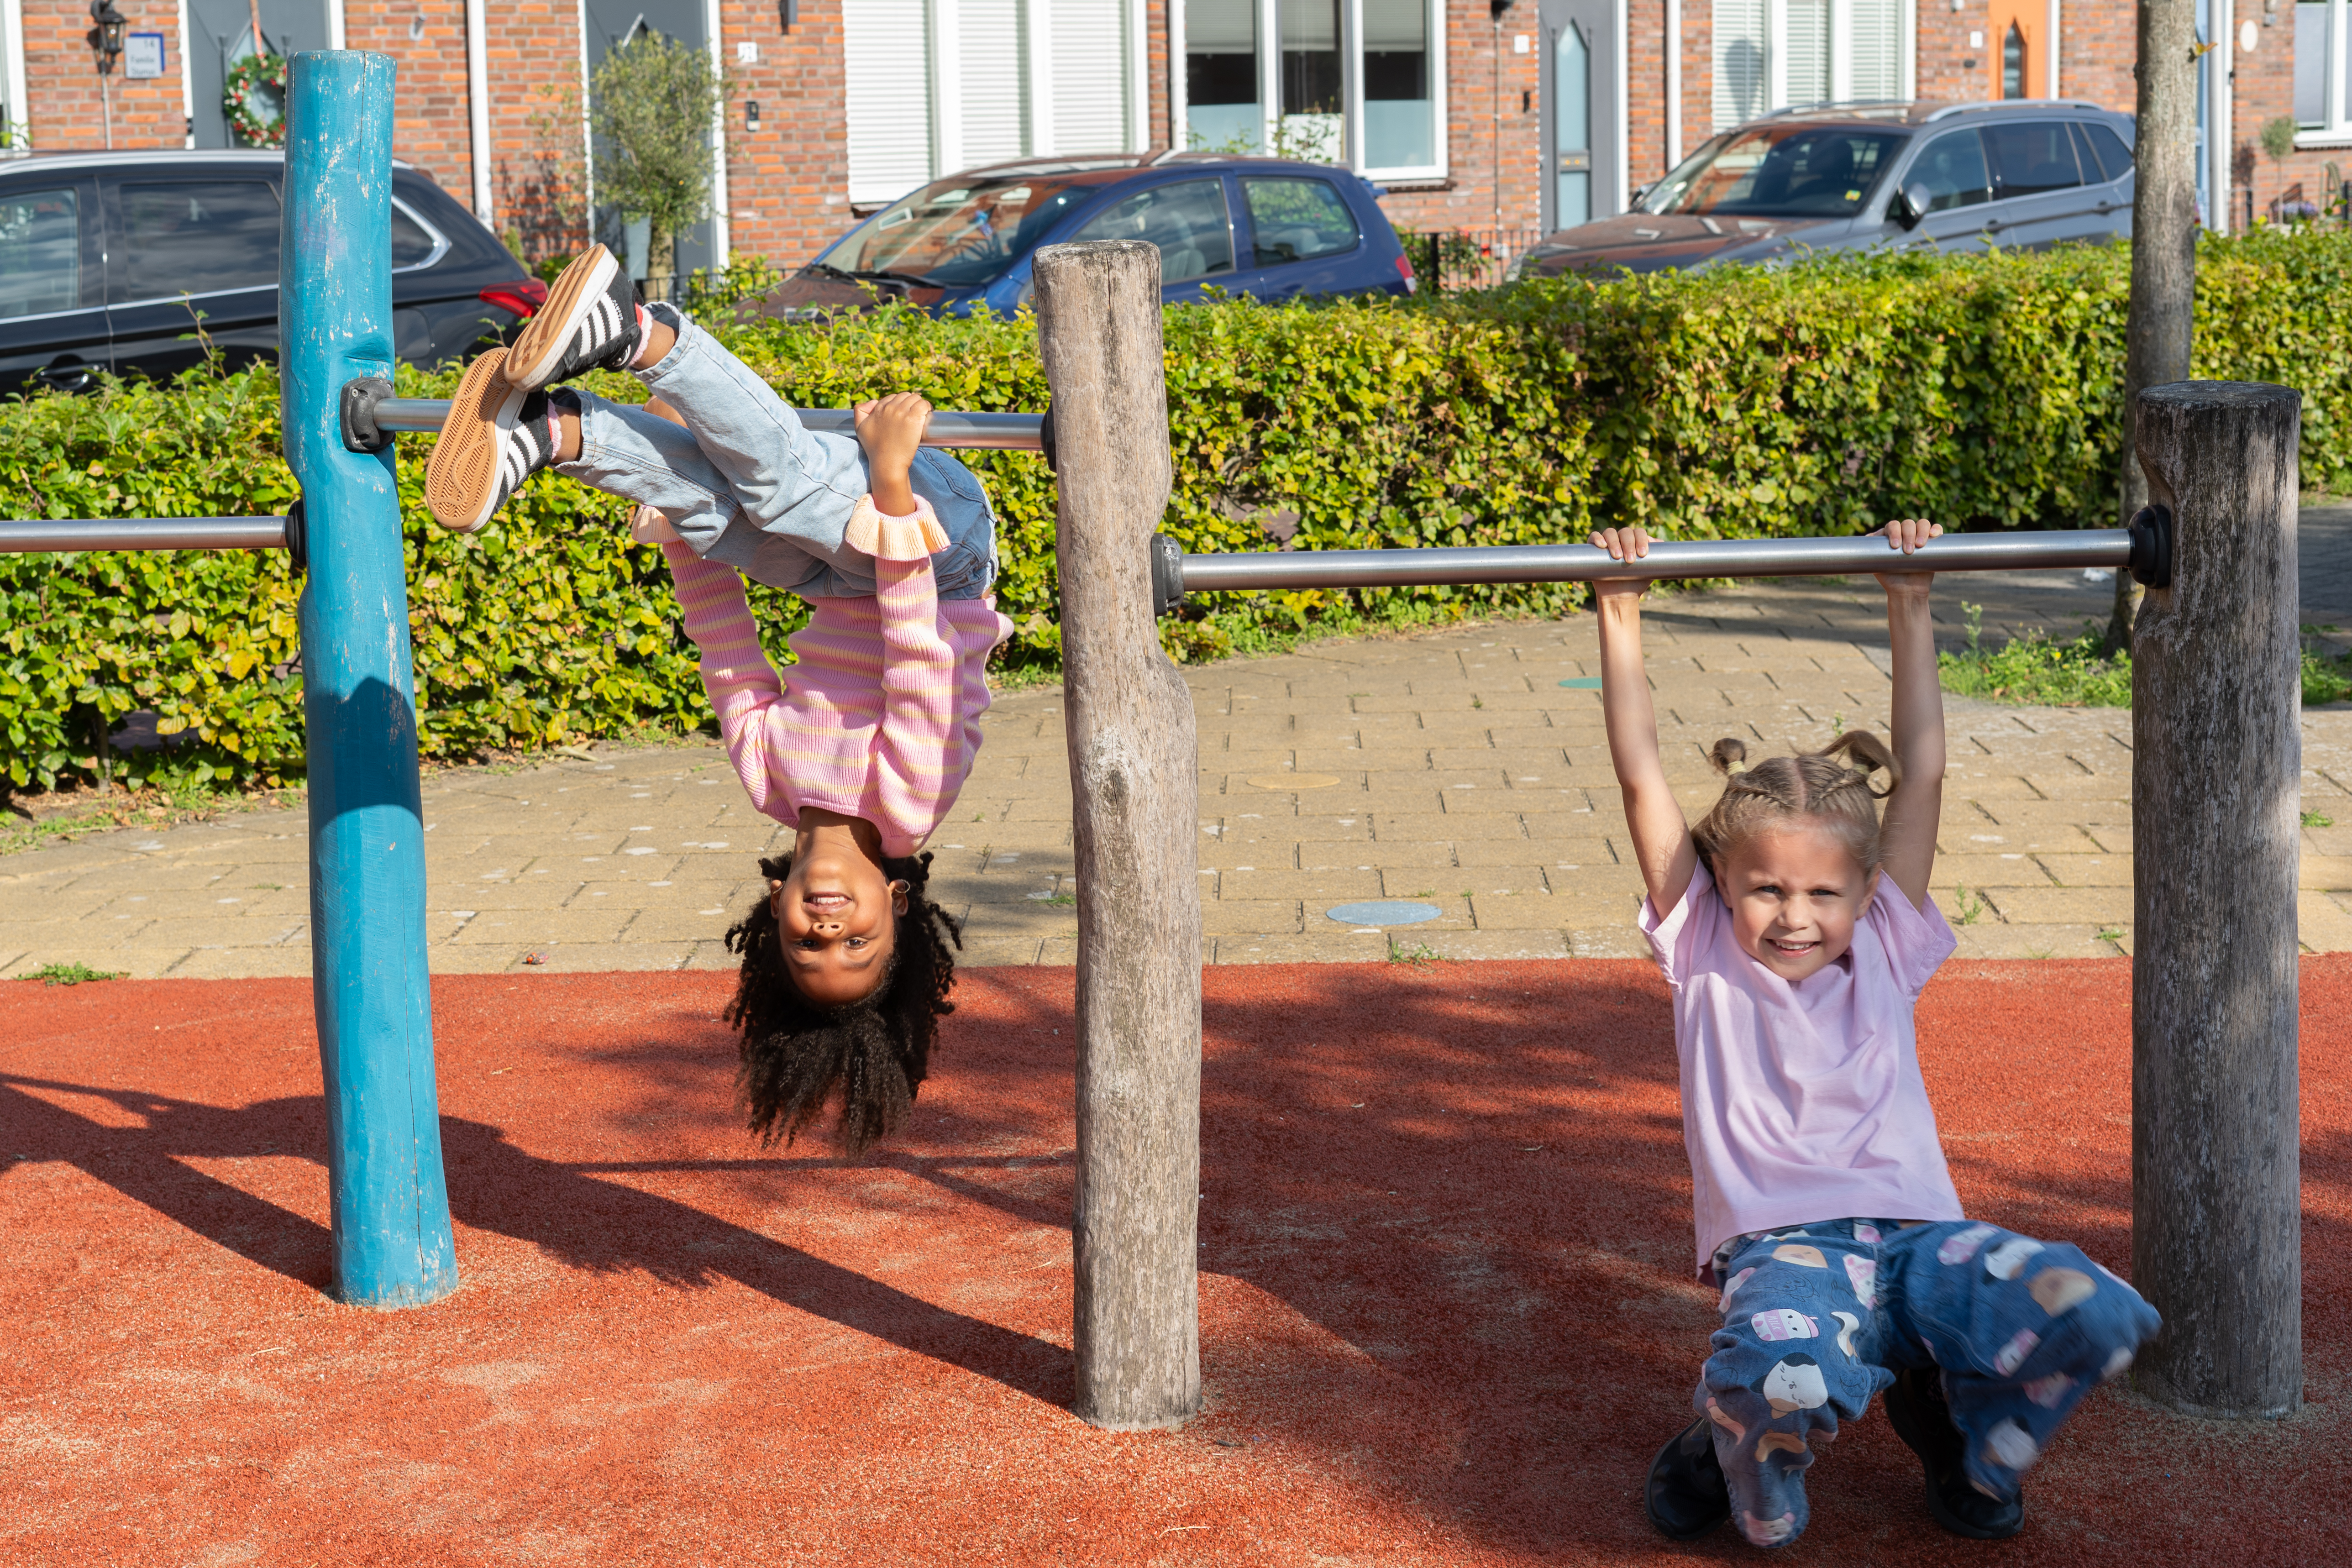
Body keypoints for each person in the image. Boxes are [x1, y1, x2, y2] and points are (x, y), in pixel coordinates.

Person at [1588, 519, 2161, 1549]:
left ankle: (1975, 1430)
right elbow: (1641, 779)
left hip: (1919, 1240)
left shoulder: (1888, 940)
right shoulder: (1703, 947)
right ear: (1722, 883)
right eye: (1766, 888)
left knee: (2101, 1310)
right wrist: (1618, 609)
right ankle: (1733, 1444)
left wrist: (1911, 595)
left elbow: (1924, 772)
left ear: (1865, 893)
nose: (1793, 915)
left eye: (1821, 892)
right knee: (1784, 1373)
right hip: (1789, 1248)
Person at [425, 244, 1011, 1153]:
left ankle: (559, 432)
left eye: (806, 946)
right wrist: (894, 478)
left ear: (774, 913)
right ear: (896, 906)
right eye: (854, 944)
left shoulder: (772, 782)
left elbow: (725, 646)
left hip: (838, 571)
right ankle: (635, 328)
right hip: (937, 551)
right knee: (781, 499)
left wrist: (682, 529)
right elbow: (916, 650)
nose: (827, 929)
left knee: (717, 520)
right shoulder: (907, 804)